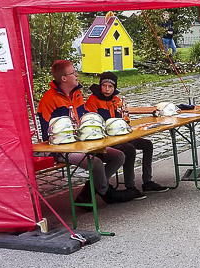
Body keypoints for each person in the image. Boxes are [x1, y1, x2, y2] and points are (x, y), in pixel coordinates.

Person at [38, 60, 132, 204]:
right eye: (73, 72)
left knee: (119, 156)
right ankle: (106, 193)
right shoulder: (48, 100)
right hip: (62, 149)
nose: (77, 74)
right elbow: (47, 135)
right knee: (96, 164)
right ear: (64, 78)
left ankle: (89, 191)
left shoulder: (77, 95)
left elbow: (85, 121)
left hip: (83, 143)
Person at [85, 71, 168, 198]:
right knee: (129, 149)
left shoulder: (117, 100)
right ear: (100, 86)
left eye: (110, 86)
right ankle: (130, 186)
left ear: (115, 87)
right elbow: (94, 123)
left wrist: (124, 117)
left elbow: (124, 119)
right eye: (104, 85)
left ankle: (147, 181)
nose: (107, 89)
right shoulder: (92, 101)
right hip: (105, 139)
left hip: (119, 136)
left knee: (147, 144)